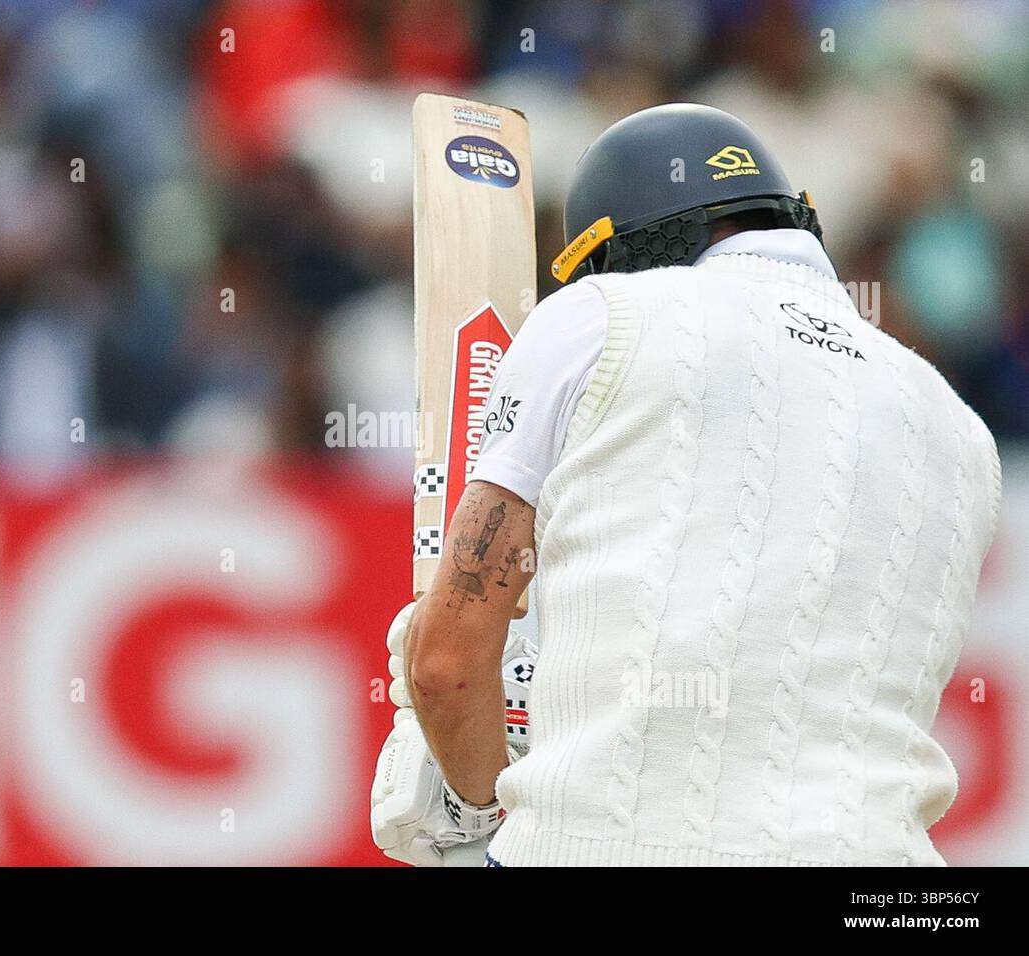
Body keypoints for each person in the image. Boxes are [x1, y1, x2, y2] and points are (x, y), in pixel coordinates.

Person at [371, 103, 1001, 867]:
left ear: (618, 249)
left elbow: (446, 667)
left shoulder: (596, 316)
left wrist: (474, 803)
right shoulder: (961, 427)